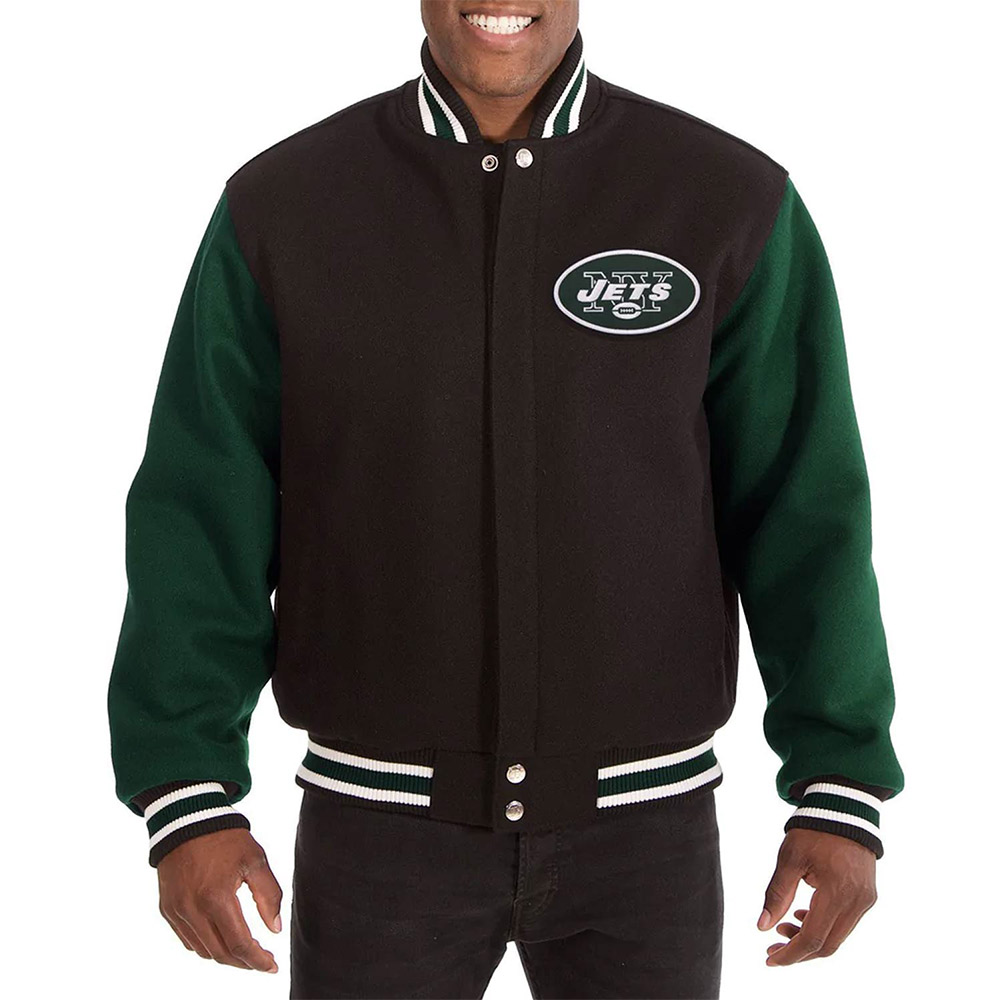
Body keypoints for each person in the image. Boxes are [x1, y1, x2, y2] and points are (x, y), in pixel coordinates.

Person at [106, 2, 904, 997]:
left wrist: (838, 786)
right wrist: (188, 794)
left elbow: (804, 507)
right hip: (378, 838)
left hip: (647, 844)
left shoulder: (725, 198)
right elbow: (201, 511)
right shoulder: (284, 207)